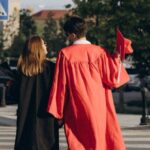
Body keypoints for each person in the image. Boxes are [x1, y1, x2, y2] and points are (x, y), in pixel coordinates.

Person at [47, 16, 129, 150]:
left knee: (80, 142)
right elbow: (113, 79)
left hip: (77, 106)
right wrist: (116, 58)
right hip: (100, 105)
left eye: (67, 35)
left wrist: (58, 111)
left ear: (72, 35)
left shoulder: (65, 54)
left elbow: (60, 84)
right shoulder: (100, 52)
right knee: (100, 140)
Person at [14, 36, 59, 150]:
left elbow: (14, 95)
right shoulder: (52, 68)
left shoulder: (21, 70)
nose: (46, 46)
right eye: (43, 44)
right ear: (38, 48)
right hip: (47, 115)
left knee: (26, 143)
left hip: (25, 115)